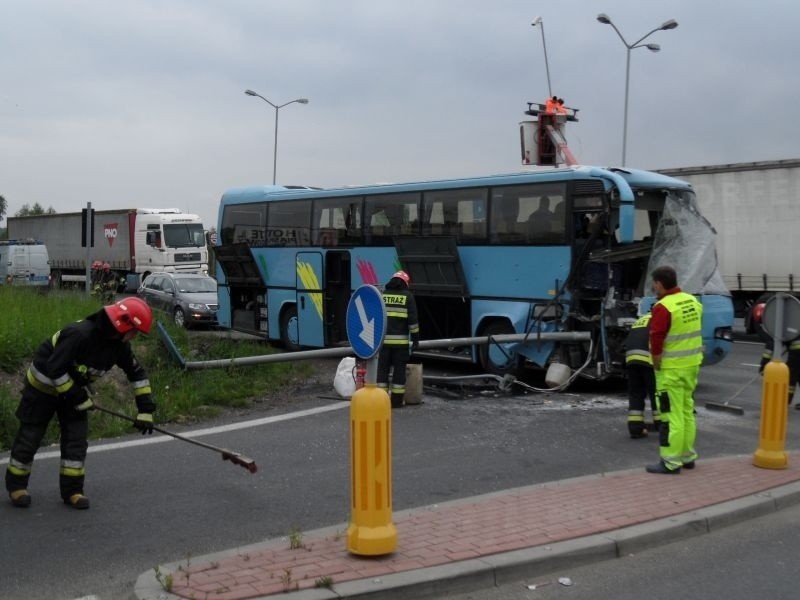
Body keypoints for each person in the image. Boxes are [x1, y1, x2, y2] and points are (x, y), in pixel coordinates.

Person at [5, 297, 156, 509]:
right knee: (30, 437)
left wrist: (145, 410)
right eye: (135, 331)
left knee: (76, 441)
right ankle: (16, 486)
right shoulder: (80, 335)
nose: (135, 336)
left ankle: (73, 491)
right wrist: (78, 397)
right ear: (124, 325)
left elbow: (137, 373)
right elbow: (54, 369)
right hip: (42, 389)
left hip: (72, 391)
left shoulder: (119, 346)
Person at [646, 266, 703, 474]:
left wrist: (656, 360)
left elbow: (657, 337)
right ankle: (687, 456)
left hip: (671, 370)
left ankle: (670, 462)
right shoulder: (692, 301)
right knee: (687, 411)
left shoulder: (664, 307)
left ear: (659, 283)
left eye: (655, 283)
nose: (654, 287)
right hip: (692, 366)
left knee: (671, 415)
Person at [377, 270, 420, 409]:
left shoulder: (382, 295)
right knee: (399, 373)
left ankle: (381, 401)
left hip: (383, 344)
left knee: (382, 371)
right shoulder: (408, 297)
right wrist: (415, 340)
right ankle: (396, 401)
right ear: (404, 283)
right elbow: (412, 322)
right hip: (400, 345)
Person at [624, 311, 659, 438]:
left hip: (631, 359)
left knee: (636, 393)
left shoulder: (641, 320)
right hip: (647, 359)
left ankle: (635, 428)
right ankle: (662, 424)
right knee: (657, 393)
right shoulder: (659, 318)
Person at [759, 339, 800, 408]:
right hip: (796, 349)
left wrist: (764, 364)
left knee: (790, 378)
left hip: (797, 351)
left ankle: (784, 403)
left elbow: (770, 348)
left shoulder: (767, 331)